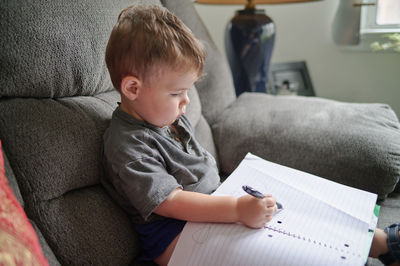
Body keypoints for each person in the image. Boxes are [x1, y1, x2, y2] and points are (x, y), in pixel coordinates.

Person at [101, 5, 400, 266]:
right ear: (132, 88)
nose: (186, 101)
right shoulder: (128, 144)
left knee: (285, 207)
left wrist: (237, 204)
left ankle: (383, 242)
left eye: (188, 90)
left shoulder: (166, 117)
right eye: (177, 92)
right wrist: (235, 210)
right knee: (279, 239)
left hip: (211, 207)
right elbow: (171, 203)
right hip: (175, 238)